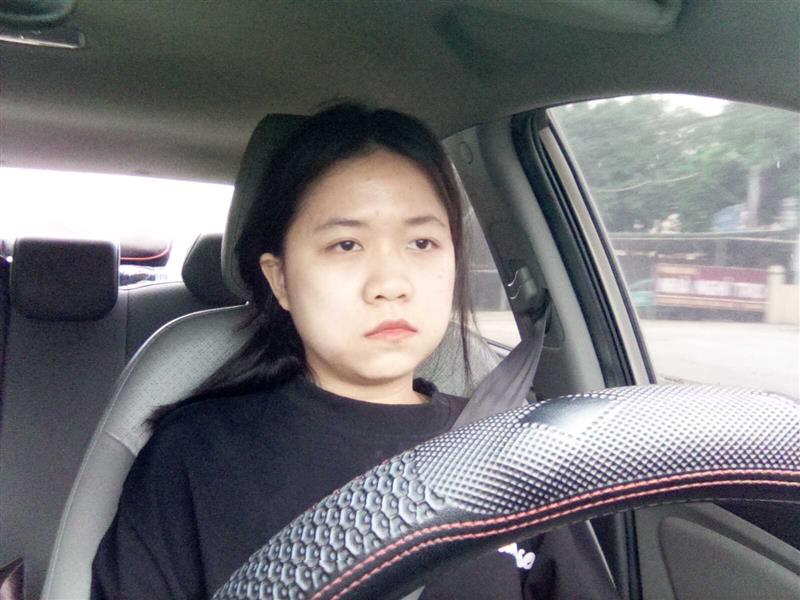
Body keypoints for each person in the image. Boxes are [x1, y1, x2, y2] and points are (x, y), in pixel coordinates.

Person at [91, 103, 619, 599]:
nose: (390, 284)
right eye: (346, 245)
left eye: (422, 243)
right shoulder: (195, 455)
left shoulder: (516, 453)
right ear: (280, 280)